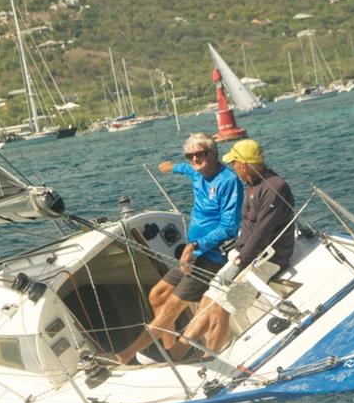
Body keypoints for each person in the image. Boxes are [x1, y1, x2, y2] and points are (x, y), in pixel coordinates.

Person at [115, 132, 243, 364]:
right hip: (192, 253)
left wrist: (195, 246)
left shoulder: (228, 181)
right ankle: (171, 350)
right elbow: (185, 168)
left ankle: (126, 355)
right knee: (157, 295)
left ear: (213, 154)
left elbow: (229, 227)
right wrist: (170, 167)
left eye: (200, 155)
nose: (194, 160)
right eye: (190, 156)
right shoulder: (197, 173)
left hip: (211, 255)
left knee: (172, 306)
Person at [169, 138, 296, 357]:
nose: (233, 169)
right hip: (246, 254)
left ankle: (210, 360)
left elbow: (261, 233)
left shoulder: (275, 188)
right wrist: (236, 251)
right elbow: (247, 227)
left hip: (270, 258)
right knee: (208, 300)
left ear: (244, 165)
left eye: (235, 164)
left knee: (222, 307)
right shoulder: (252, 186)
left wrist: (237, 263)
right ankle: (176, 354)